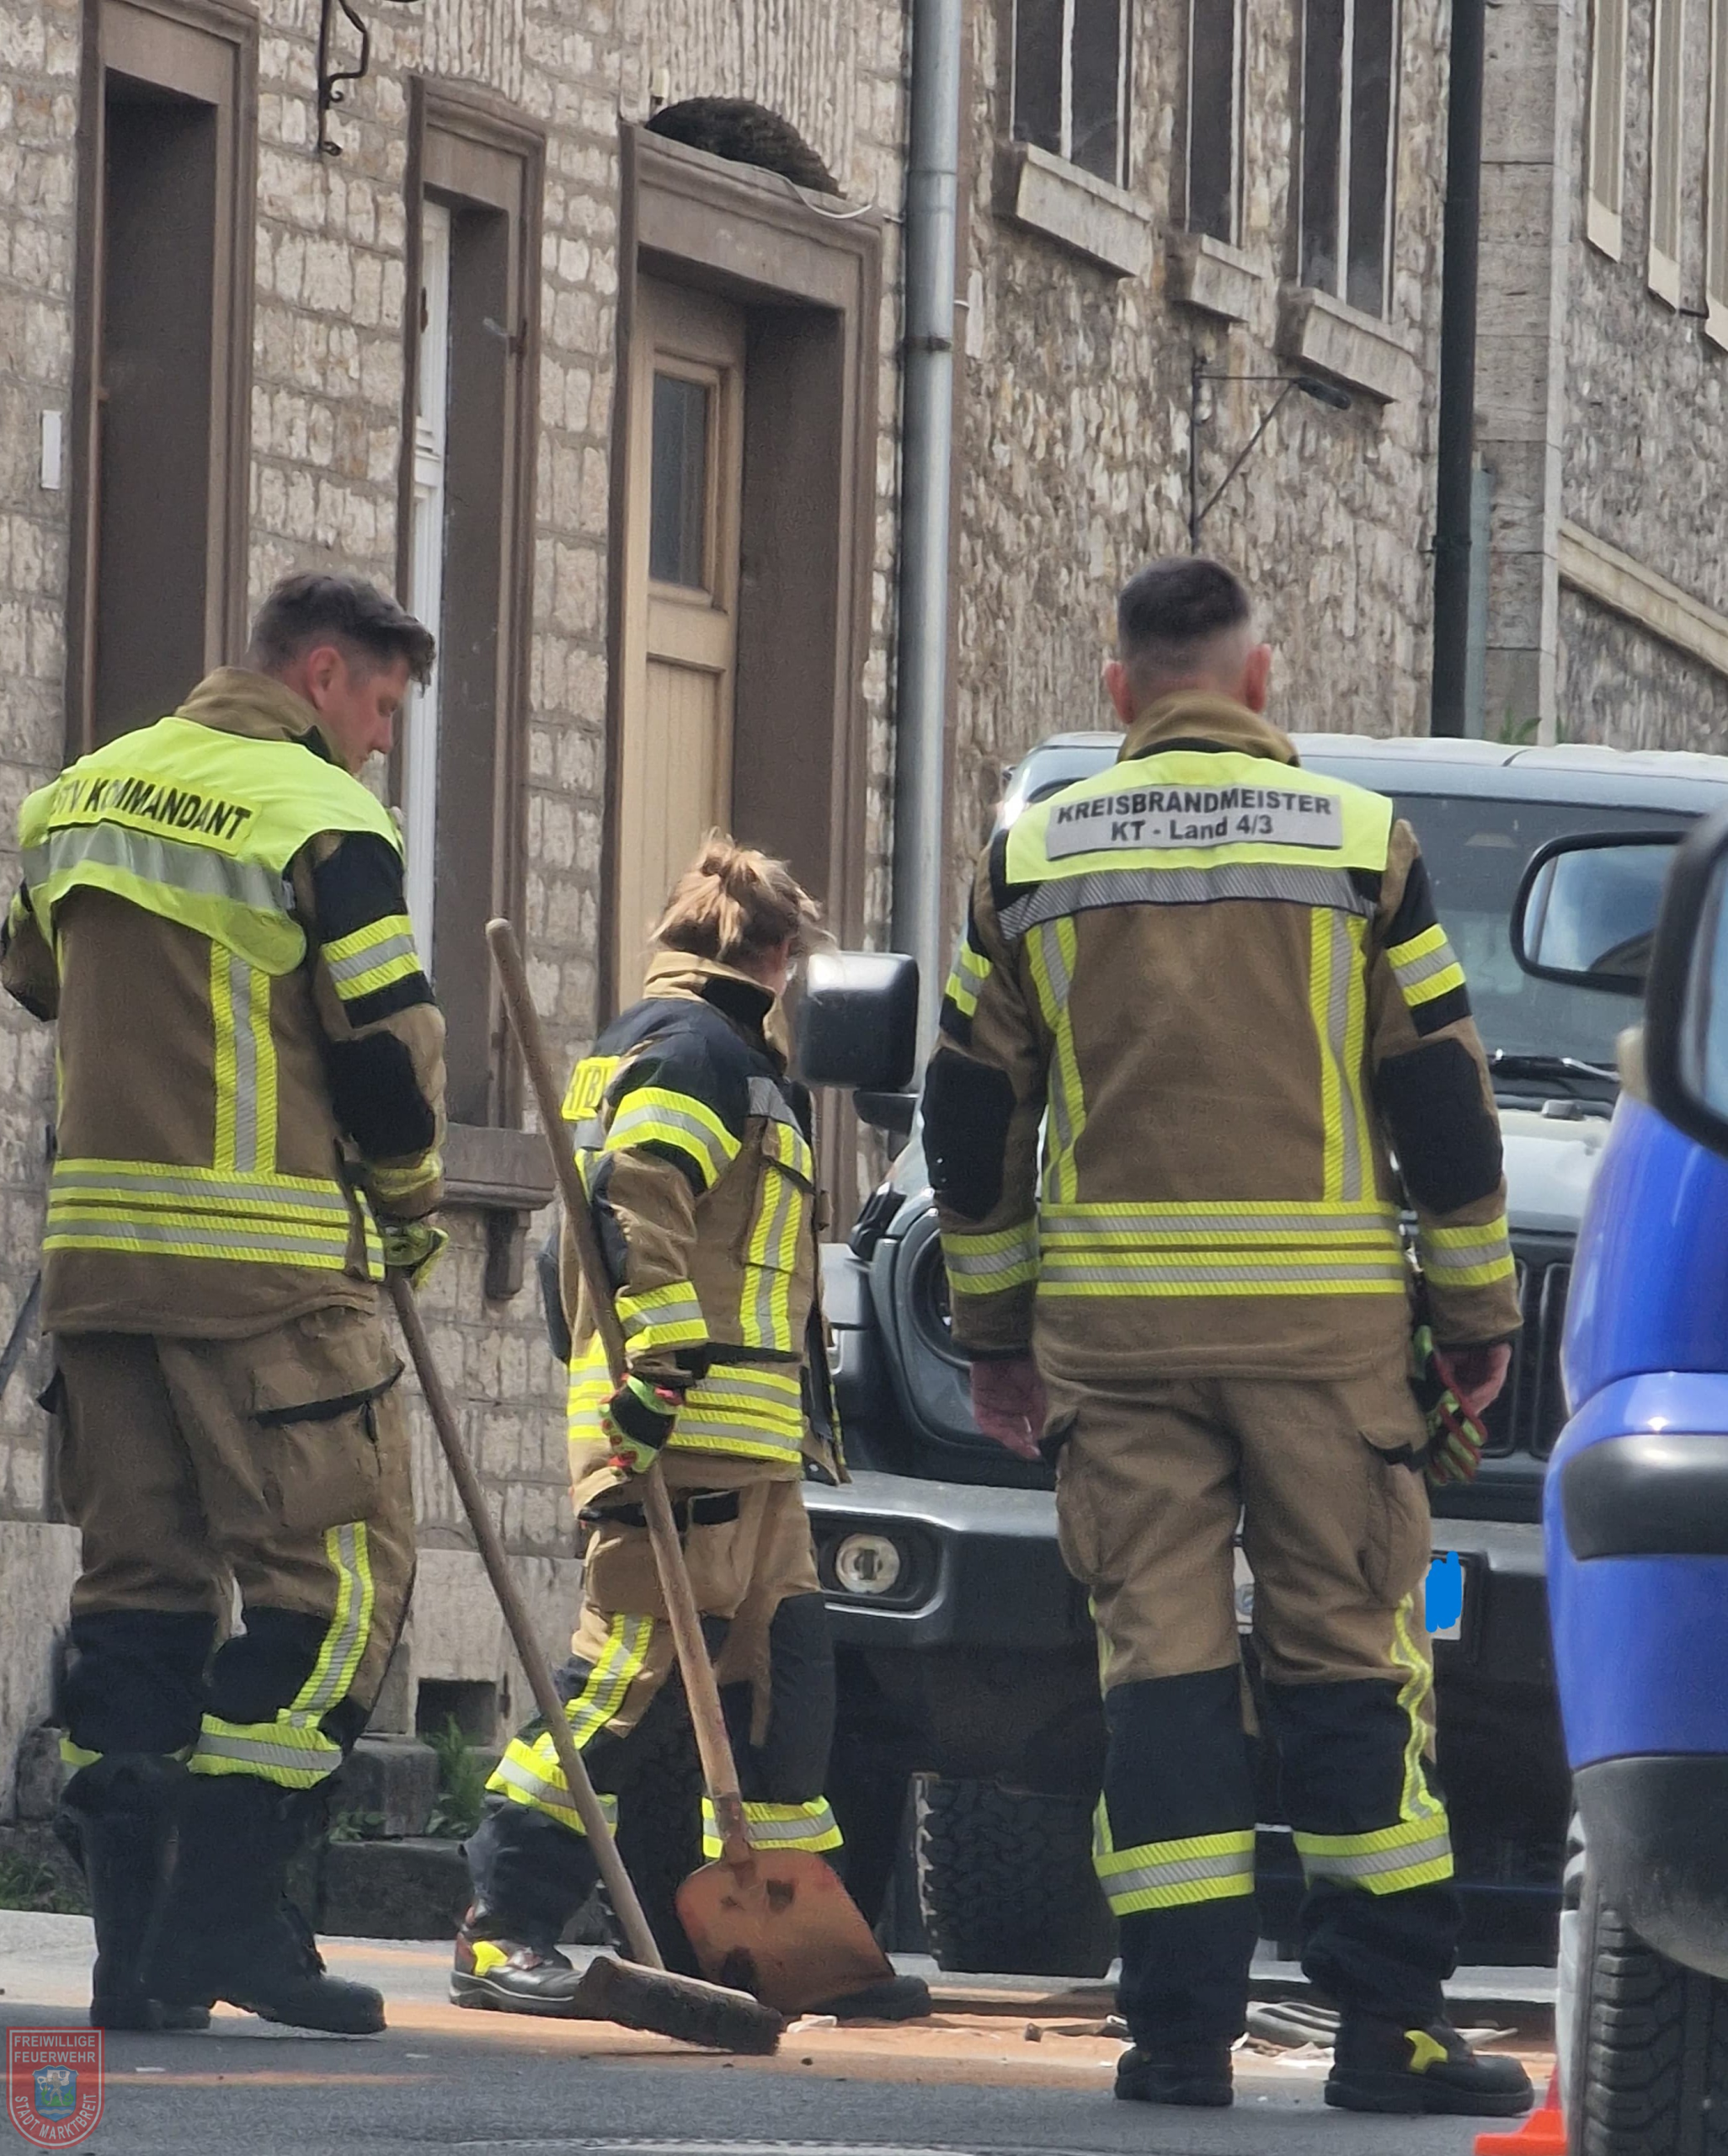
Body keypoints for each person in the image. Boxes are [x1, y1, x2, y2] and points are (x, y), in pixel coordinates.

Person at [921, 558, 1533, 2118]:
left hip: (1116, 1343)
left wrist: (994, 1332)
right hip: (1326, 1347)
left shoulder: (1034, 856)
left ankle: (1179, 2038)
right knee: (1350, 1658)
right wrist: (1475, 1315)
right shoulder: (1357, 844)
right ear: (1260, 682)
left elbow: (971, 1120)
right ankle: (1387, 2032)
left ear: (1119, 691)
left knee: (1163, 1670)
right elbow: (1442, 1103)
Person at [2, 573, 446, 2036]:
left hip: (99, 1277)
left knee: (139, 1593)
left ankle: (134, 1958)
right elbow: (383, 1052)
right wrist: (412, 1206)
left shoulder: (77, 799)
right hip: (267, 1284)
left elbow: (36, 980)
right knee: (344, 1595)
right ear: (320, 673)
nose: (381, 737)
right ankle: (229, 1917)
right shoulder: (321, 817)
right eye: (380, 702)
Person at [453, 836, 927, 2024]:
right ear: (779, 955)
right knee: (622, 1681)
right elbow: (634, 1198)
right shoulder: (694, 1053)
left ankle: (780, 1943)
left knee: (787, 1689)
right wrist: (657, 1379)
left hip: (751, 1451)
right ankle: (501, 1923)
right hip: (677, 1436)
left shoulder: (718, 1052)